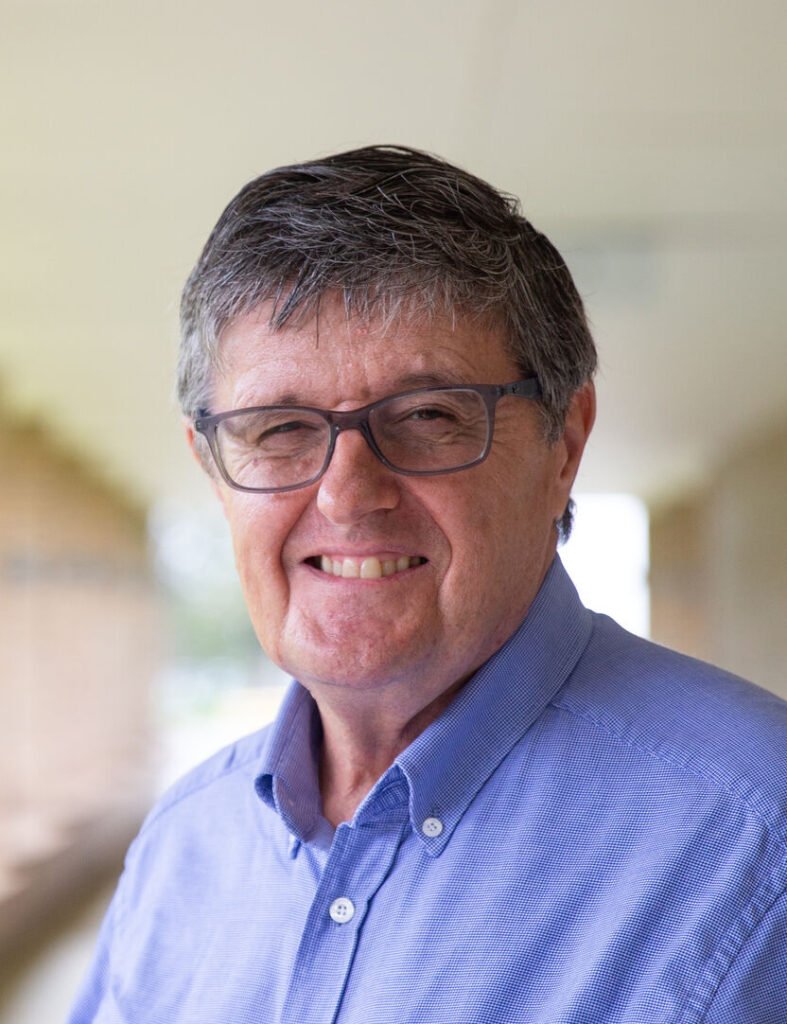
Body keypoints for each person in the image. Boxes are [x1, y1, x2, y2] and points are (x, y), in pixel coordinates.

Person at [69, 145, 787, 1023]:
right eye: (279, 429)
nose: (346, 495)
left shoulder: (756, 841)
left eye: (427, 416)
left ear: (563, 443)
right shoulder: (183, 848)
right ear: (213, 468)